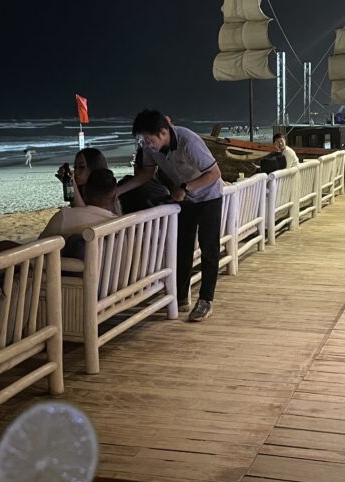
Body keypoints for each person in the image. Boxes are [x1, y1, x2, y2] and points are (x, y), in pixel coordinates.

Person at [116, 109, 222, 322]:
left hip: (209, 195)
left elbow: (214, 174)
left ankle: (205, 300)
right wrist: (117, 191)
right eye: (142, 139)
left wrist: (186, 187)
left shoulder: (188, 141)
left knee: (209, 247)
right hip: (184, 198)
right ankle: (181, 297)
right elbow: (146, 173)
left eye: (149, 138)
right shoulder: (150, 148)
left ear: (163, 132)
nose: (146, 143)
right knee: (182, 246)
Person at [39, 168, 120, 259]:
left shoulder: (65, 217)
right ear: (114, 197)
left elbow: (39, 248)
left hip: (73, 272)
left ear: (84, 191)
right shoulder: (122, 224)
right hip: (114, 273)